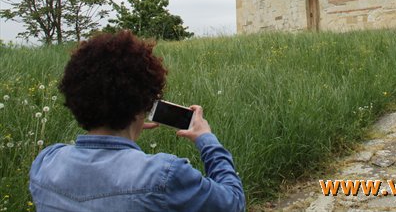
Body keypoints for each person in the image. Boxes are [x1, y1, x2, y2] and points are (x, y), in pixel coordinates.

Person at [29, 31, 245, 211]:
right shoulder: (164, 175)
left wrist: (134, 121)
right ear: (144, 103)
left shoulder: (46, 162)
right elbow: (233, 202)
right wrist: (206, 139)